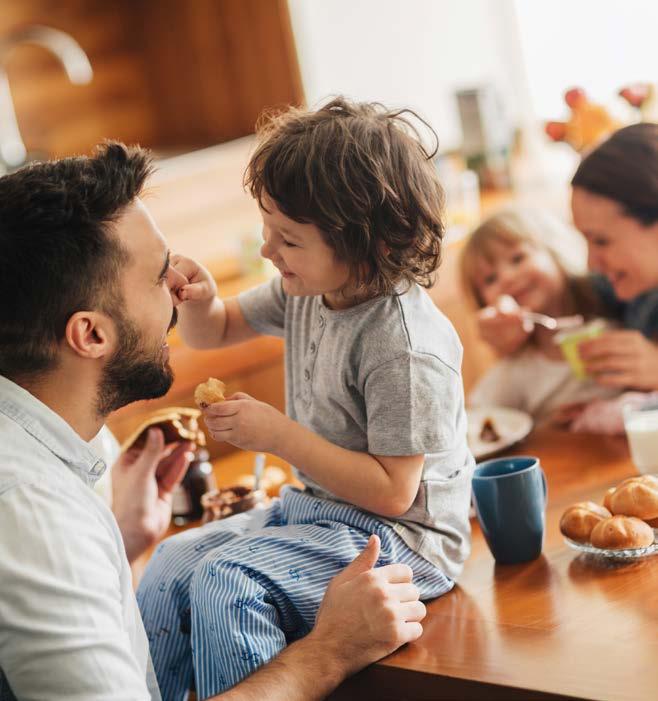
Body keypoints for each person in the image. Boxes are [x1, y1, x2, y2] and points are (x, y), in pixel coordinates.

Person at [0, 143, 425, 701]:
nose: (176, 291)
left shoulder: (66, 443)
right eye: (157, 276)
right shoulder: (31, 511)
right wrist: (327, 653)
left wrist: (123, 547)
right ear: (91, 335)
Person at [137, 97, 473, 699]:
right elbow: (214, 331)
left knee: (226, 583)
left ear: (370, 245)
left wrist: (278, 436)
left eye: (287, 239)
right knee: (171, 566)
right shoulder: (309, 289)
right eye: (267, 231)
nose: (268, 252)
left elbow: (394, 494)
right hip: (317, 512)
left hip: (406, 542)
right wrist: (201, 301)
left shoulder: (404, 346)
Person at [478, 124, 658, 431]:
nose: (592, 262)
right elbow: (572, 294)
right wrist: (511, 317)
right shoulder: (631, 290)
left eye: (601, 241)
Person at [460, 209, 618, 424]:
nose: (506, 278)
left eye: (518, 258)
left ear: (554, 251)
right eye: (490, 279)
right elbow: (475, 420)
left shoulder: (619, 317)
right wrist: (543, 428)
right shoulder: (517, 369)